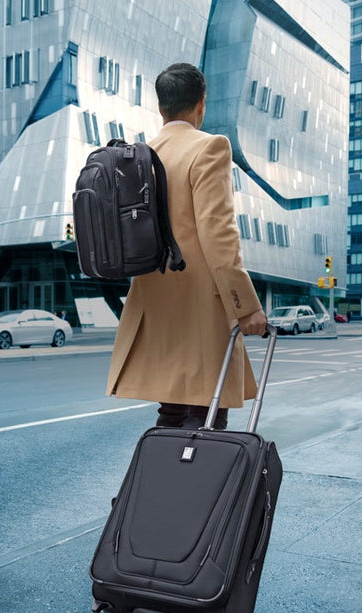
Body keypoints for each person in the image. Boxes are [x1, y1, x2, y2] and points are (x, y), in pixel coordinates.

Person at [106, 63, 268, 431]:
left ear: (161, 107)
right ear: (201, 104)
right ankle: (194, 487)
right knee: (207, 415)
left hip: (153, 296)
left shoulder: (139, 155)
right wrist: (245, 306)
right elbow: (218, 232)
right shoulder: (210, 146)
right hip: (200, 302)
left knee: (174, 410)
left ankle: (160, 487)